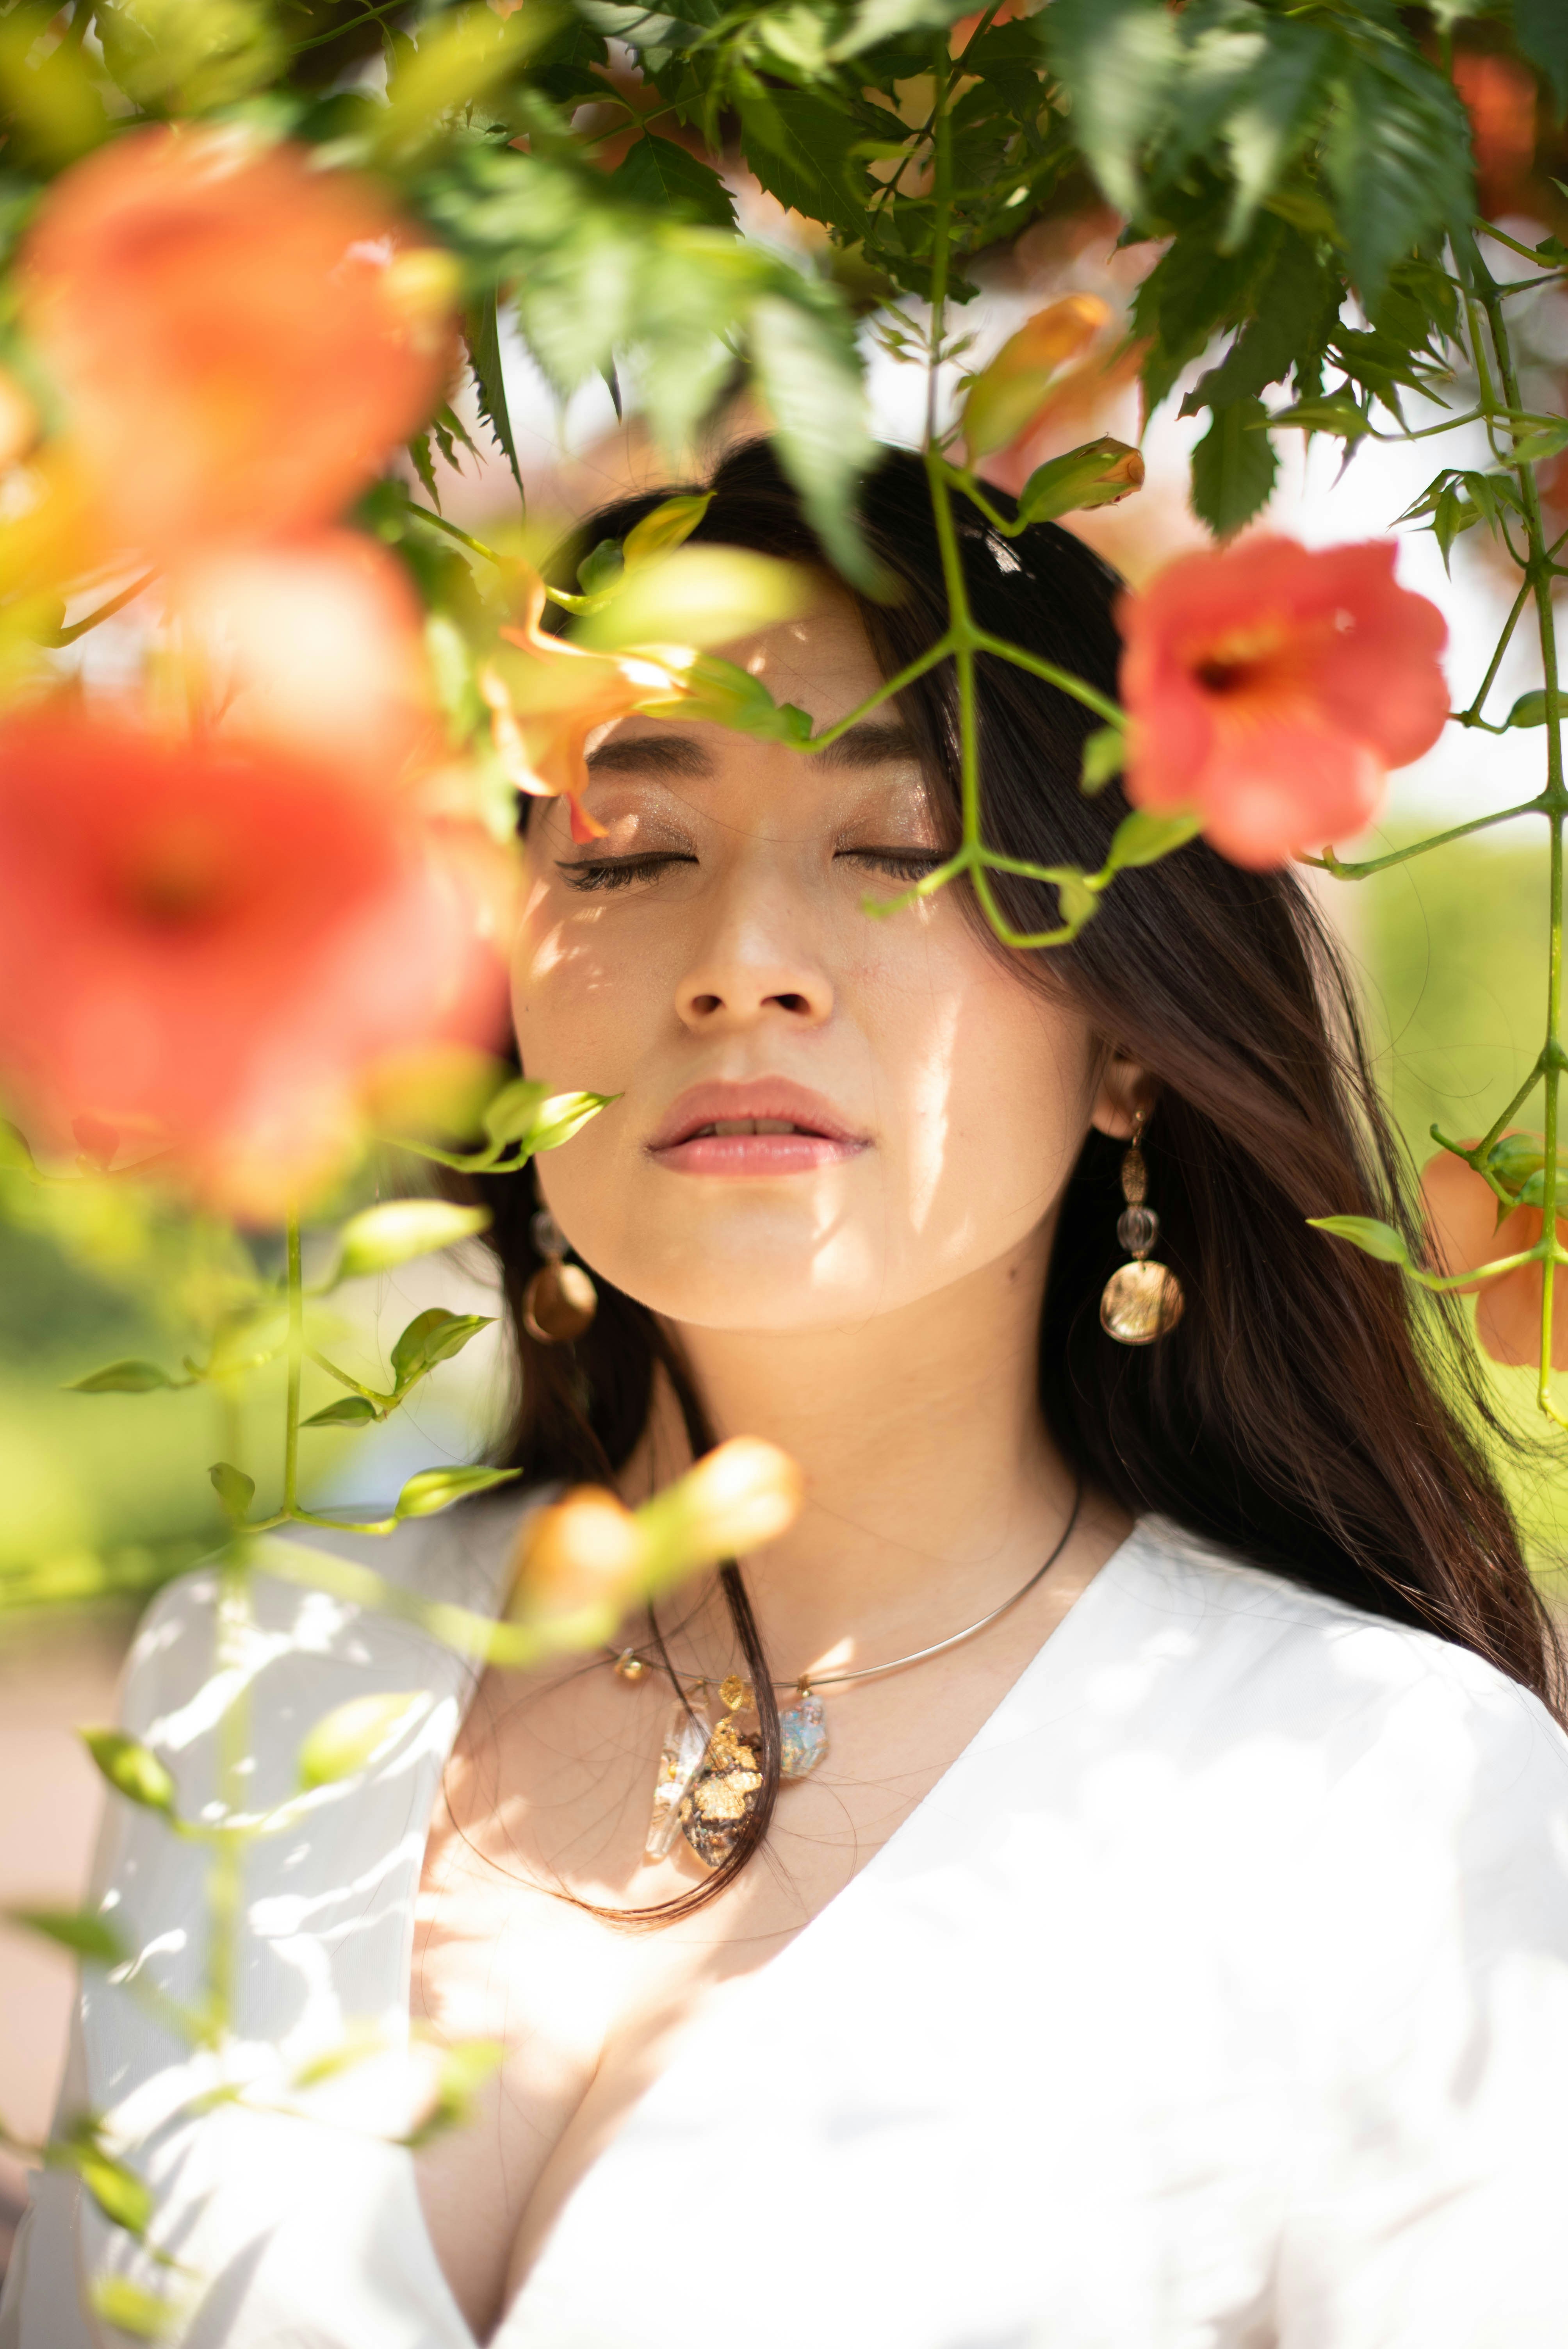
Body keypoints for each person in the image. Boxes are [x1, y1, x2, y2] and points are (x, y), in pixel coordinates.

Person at [6, 441, 1568, 2349]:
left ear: (1127, 1053)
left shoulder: (1375, 1795)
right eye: (629, 854)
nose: (740, 963)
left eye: (899, 848)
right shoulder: (258, 1675)